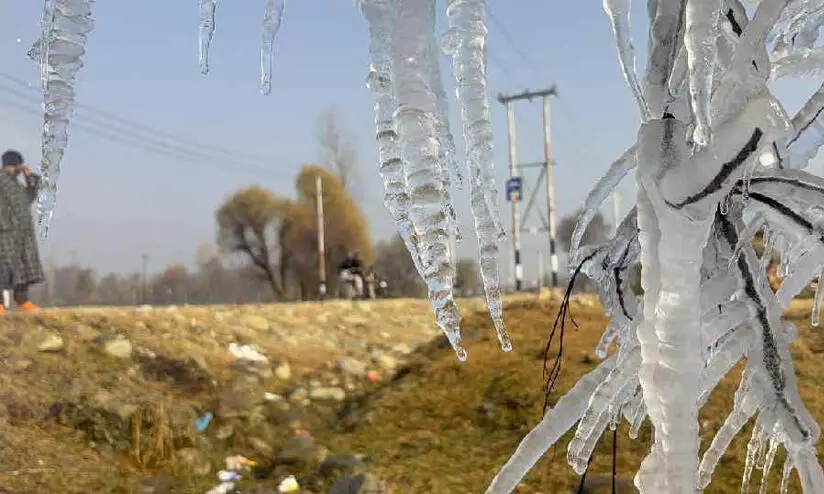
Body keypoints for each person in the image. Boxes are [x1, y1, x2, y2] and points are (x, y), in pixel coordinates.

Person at [0, 150, 44, 313]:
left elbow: (28, 198)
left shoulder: (15, 184)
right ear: (14, 164)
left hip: (22, 232)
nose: (22, 167)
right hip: (5, 231)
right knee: (3, 267)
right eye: (20, 165)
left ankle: (22, 300)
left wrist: (29, 178)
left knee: (22, 267)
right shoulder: (1, 180)